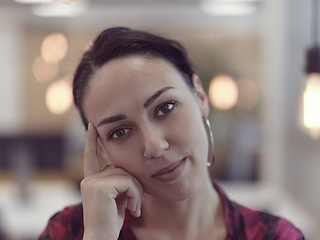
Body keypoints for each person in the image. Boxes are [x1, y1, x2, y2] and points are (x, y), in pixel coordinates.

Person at [39, 27, 304, 240]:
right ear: (100, 149)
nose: (154, 145)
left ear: (200, 96)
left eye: (165, 107)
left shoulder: (274, 235)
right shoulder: (68, 231)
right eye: (120, 132)